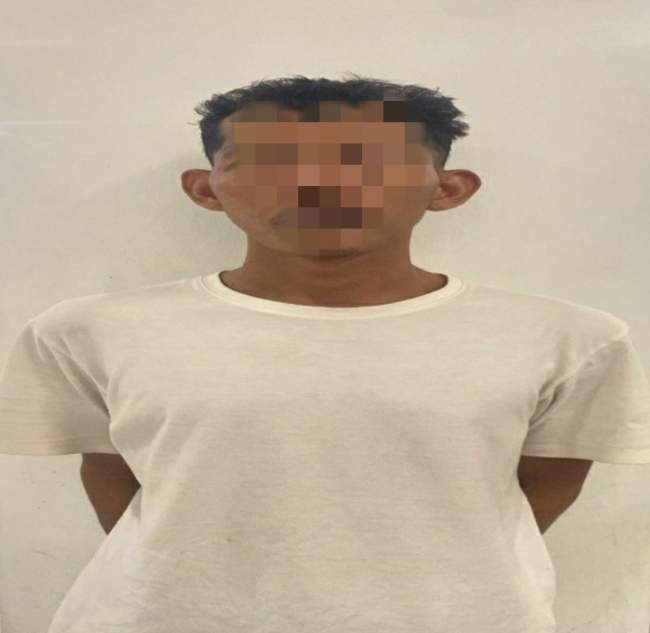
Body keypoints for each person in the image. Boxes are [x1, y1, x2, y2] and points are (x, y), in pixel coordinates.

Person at [1, 74, 650, 633]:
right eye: (269, 162)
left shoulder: (570, 338)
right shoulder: (91, 329)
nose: (317, 183)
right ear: (205, 188)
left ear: (448, 187)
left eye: (366, 162)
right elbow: (114, 470)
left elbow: (546, 482)